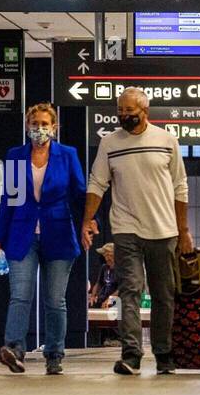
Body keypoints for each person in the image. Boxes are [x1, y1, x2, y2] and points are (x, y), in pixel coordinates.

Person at [82, 87, 192, 376]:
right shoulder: (109, 143)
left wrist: (184, 231)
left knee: (163, 295)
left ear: (145, 112)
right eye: (120, 111)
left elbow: (180, 187)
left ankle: (164, 355)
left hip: (163, 229)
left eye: (129, 111)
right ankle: (131, 355)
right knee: (130, 290)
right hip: (125, 228)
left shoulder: (167, 141)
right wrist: (87, 219)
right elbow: (97, 183)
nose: (124, 116)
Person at [0, 103, 84, 375]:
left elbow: (79, 194)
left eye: (44, 124)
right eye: (34, 123)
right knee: (20, 295)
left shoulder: (67, 155)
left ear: (54, 127)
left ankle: (54, 354)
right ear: (27, 126)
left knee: (55, 300)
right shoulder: (16, 156)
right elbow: (9, 199)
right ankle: (14, 349)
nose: (39, 129)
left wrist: (89, 223)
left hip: (59, 234)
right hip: (22, 234)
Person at [88, 242, 119, 309]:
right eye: (104, 255)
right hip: (103, 298)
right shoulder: (104, 267)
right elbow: (98, 283)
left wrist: (110, 299)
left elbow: (122, 288)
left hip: (116, 299)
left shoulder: (121, 269)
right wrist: (93, 296)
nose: (105, 257)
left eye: (106, 255)